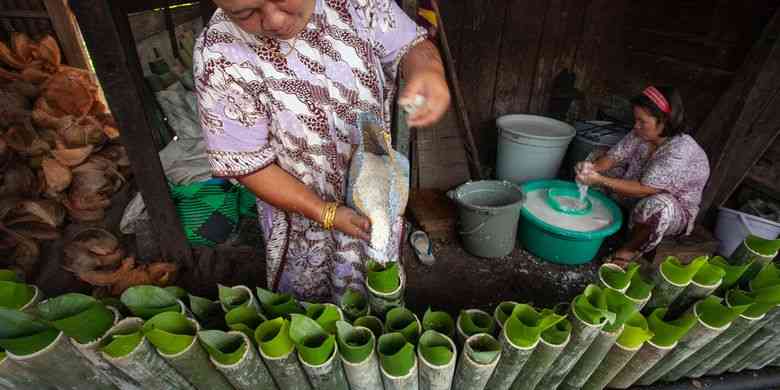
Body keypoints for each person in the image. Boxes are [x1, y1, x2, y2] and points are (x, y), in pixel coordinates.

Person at [194, 0, 450, 302]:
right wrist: (324, 212)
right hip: (300, 220)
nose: (273, 20)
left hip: (376, 192)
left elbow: (410, 46)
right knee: (310, 308)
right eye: (245, 14)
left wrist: (428, 69)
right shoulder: (219, 54)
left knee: (380, 292)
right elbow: (248, 165)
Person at [575, 86, 710, 267]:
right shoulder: (640, 133)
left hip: (670, 211)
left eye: (642, 121)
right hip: (636, 192)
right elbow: (614, 157)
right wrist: (590, 169)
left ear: (663, 121)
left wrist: (599, 180)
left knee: (658, 205)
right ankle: (591, 216)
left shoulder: (680, 150)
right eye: (635, 119)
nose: (635, 125)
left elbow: (643, 190)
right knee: (595, 158)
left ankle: (629, 250)